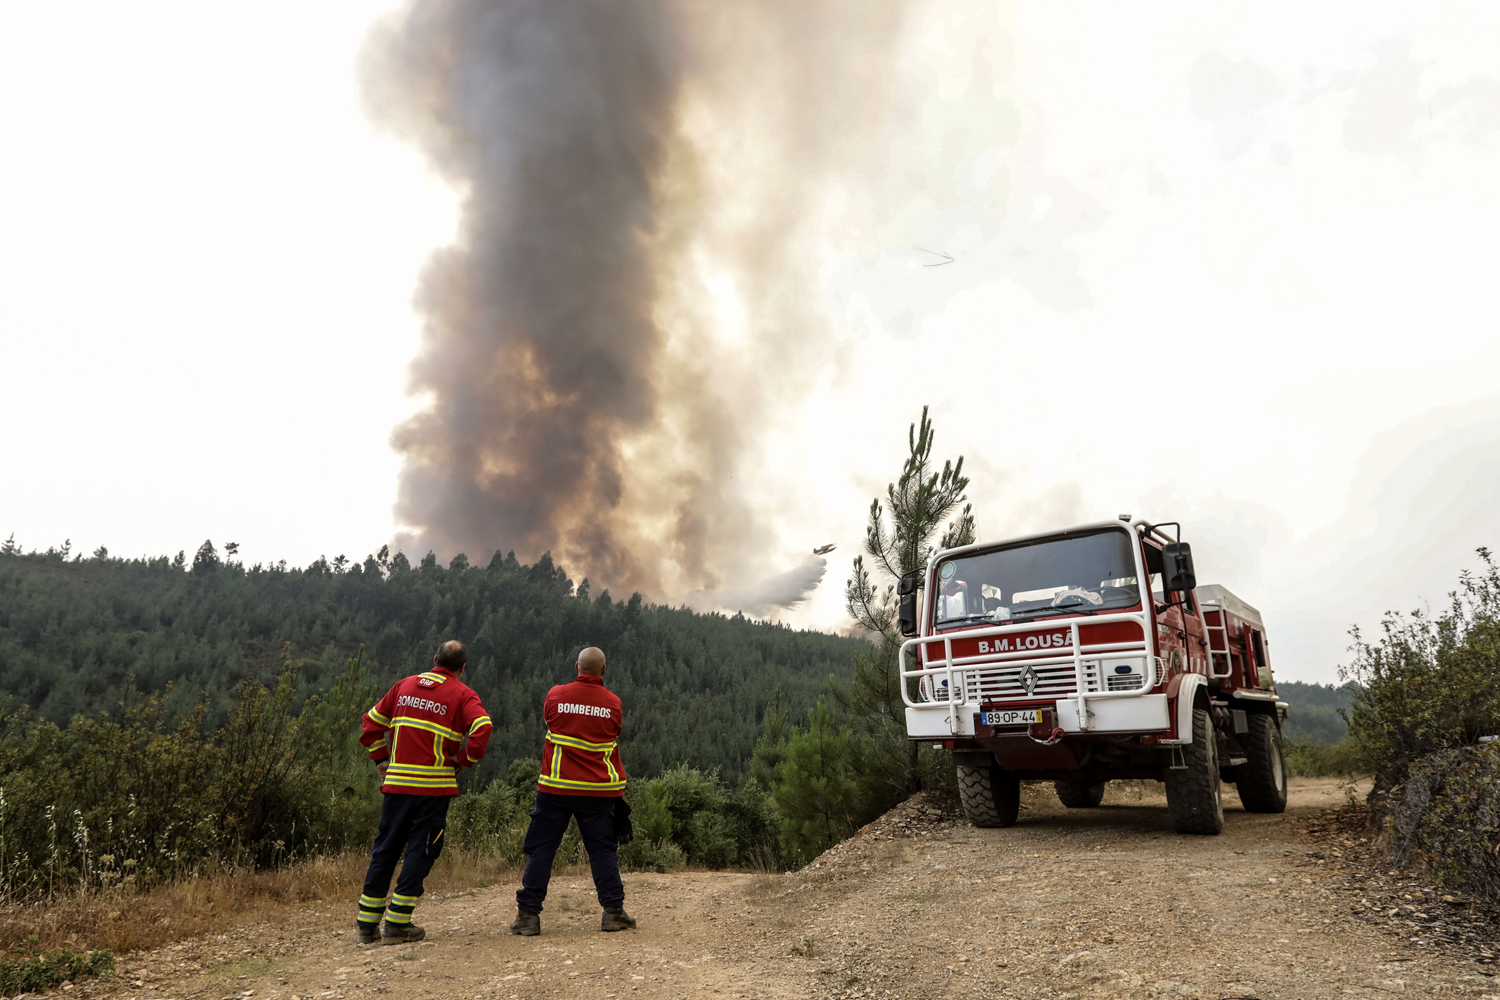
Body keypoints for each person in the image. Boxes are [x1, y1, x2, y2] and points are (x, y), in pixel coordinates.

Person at [356, 640, 492, 945]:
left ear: (434, 659)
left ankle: (367, 926)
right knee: (423, 850)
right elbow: (483, 727)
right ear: (462, 668)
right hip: (434, 789)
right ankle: (398, 925)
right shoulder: (462, 694)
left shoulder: (403, 686)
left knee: (386, 849)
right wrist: (464, 760)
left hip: (398, 785)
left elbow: (370, 724)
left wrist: (381, 759)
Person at [510, 646, 635, 936]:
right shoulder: (613, 703)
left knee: (543, 848)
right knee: (602, 849)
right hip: (598, 791)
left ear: (576, 667)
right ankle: (613, 912)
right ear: (603, 671)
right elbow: (614, 731)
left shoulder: (555, 695)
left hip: (556, 787)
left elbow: (550, 720)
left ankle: (528, 916)